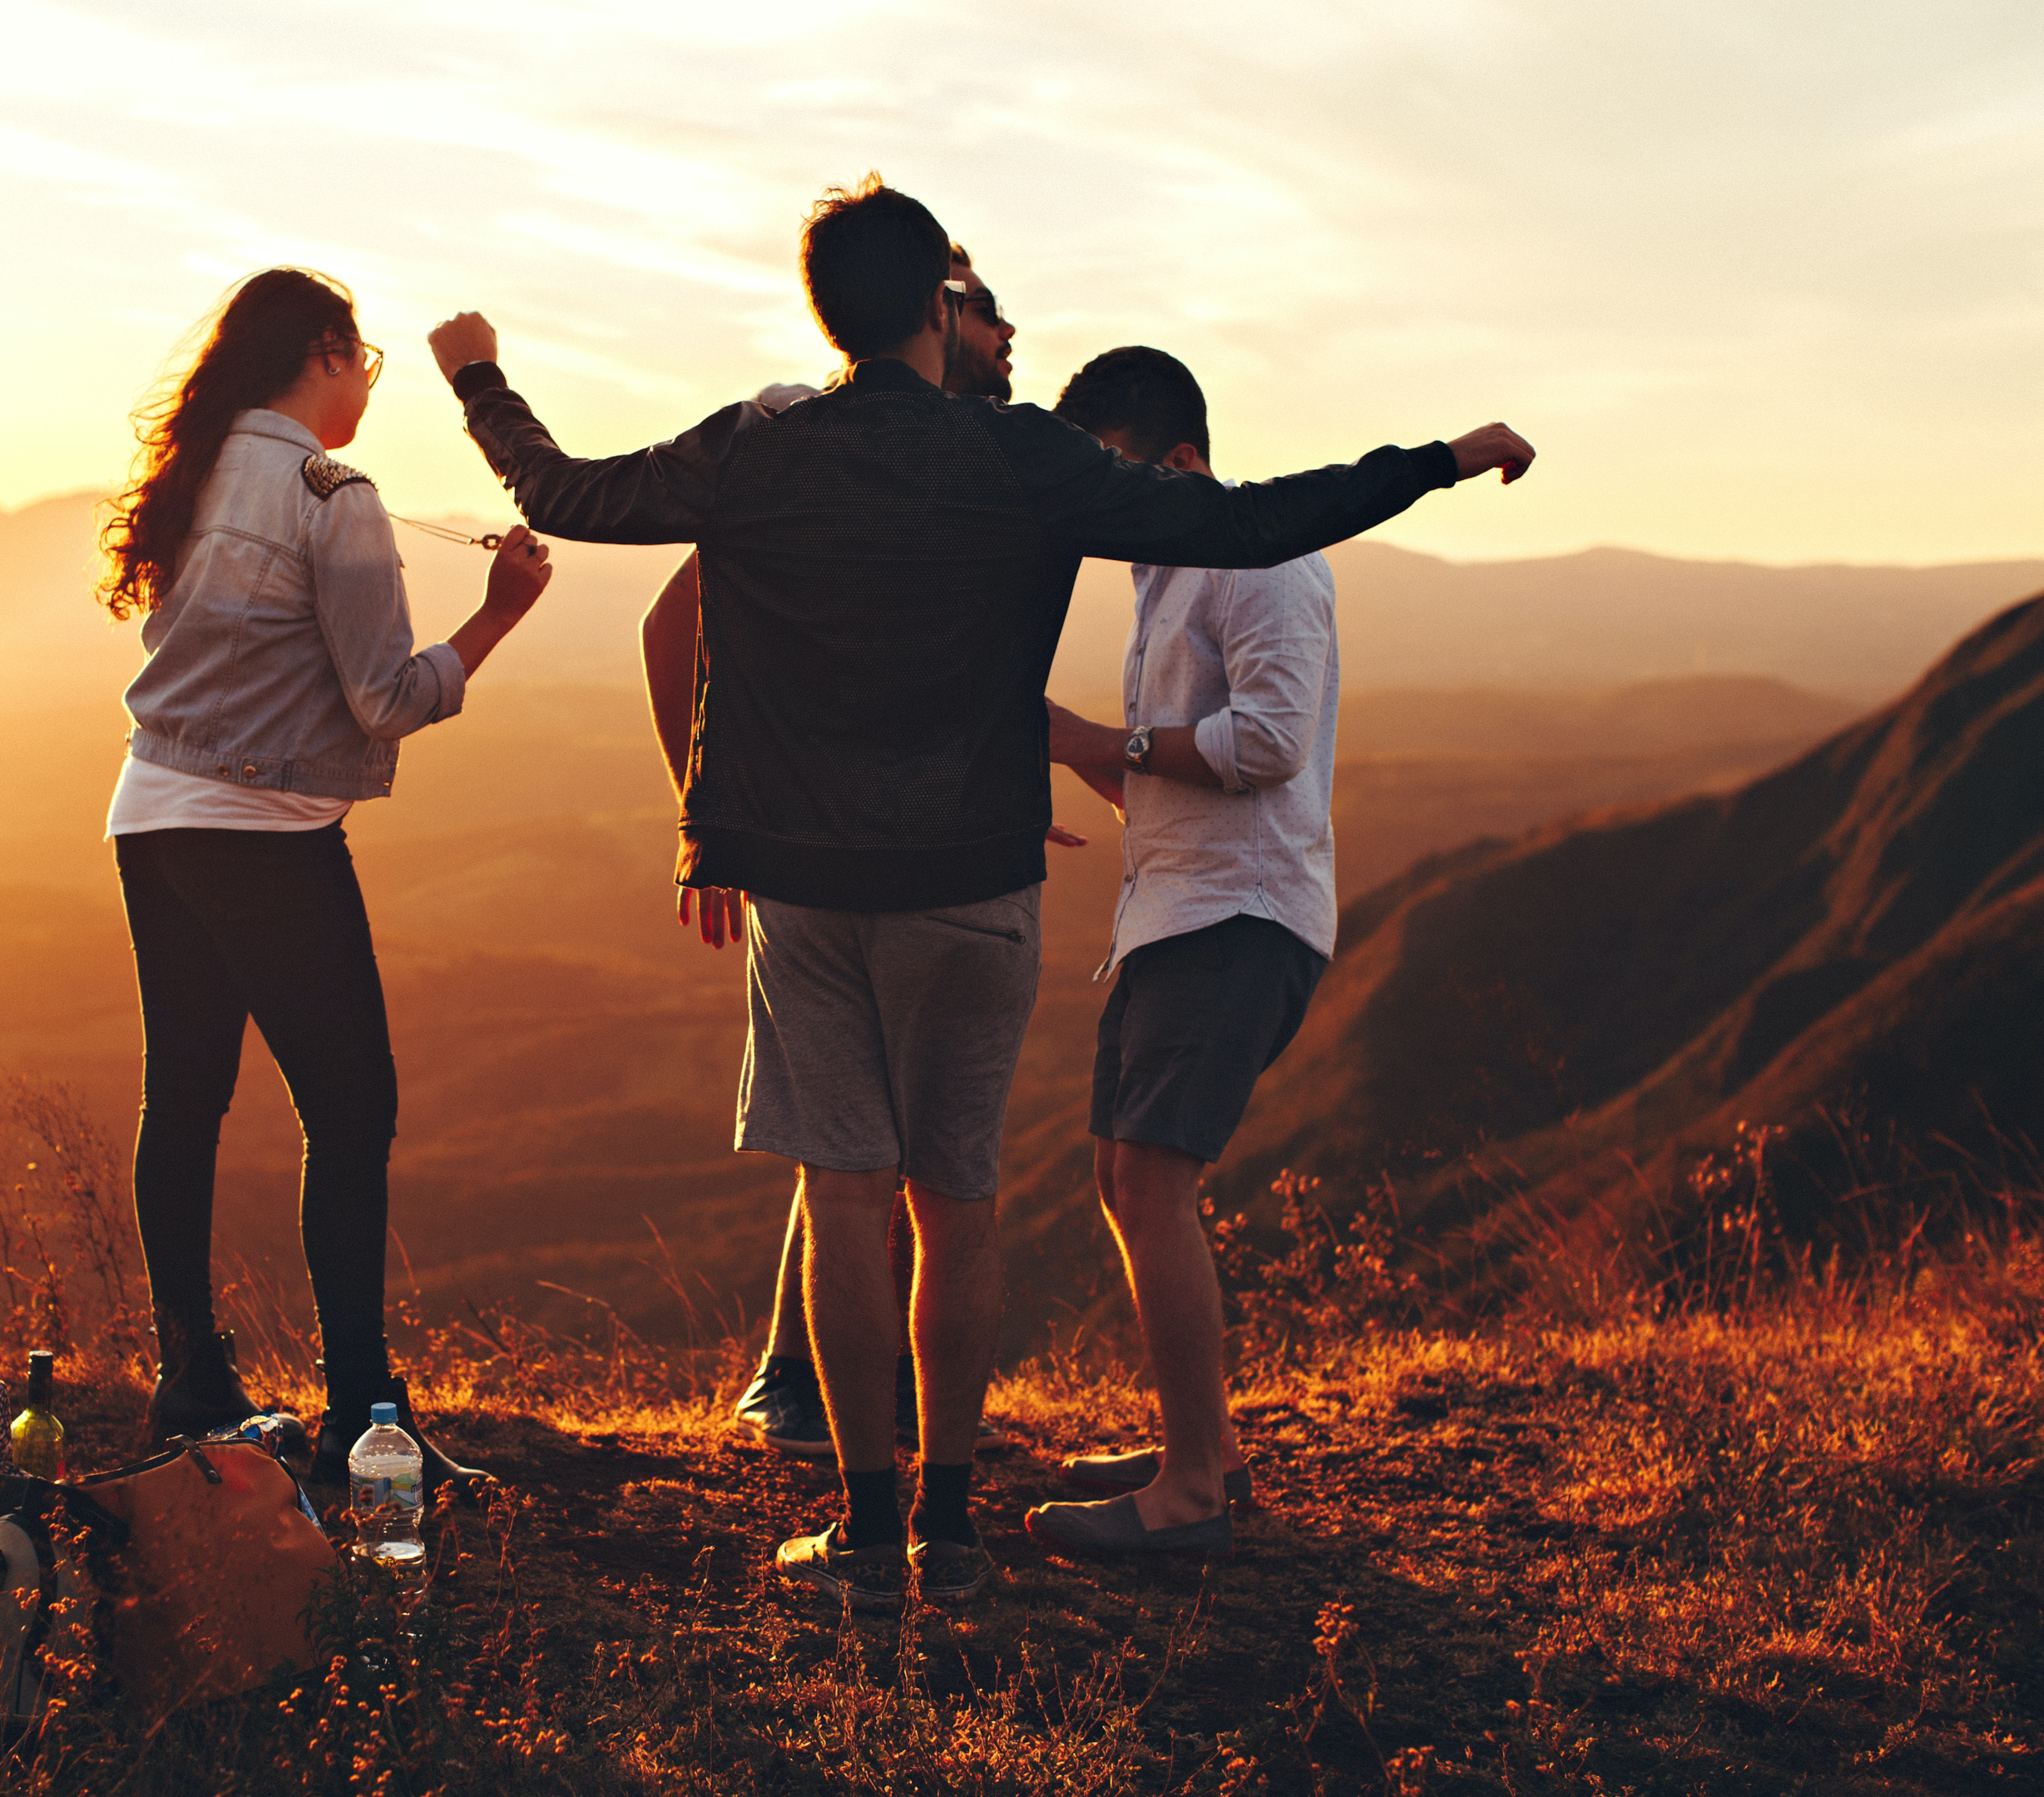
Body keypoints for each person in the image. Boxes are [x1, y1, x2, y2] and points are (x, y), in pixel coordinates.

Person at [428, 175, 1532, 1610]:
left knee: (846, 1200)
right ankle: (951, 1529)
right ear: (941, 310)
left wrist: (479, 381)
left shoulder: (759, 451)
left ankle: (869, 1535)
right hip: (976, 882)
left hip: (812, 886)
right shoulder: (1017, 458)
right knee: (960, 1206)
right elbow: (1255, 522)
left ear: (830, 310)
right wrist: (1436, 459)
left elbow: (568, 494)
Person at [98, 266, 553, 1493]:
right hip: (266, 833)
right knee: (351, 1114)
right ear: (325, 353)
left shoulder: (196, 472)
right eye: (366, 364)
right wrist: (501, 612)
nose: (367, 389)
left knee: (185, 1099)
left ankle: (190, 1380)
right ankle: (367, 1418)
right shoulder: (331, 495)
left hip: (152, 814)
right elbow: (387, 698)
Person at [1024, 345, 1430, 1553]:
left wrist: (1104, 736)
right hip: (1178, 907)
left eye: (1113, 473)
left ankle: (1194, 1492)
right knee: (1121, 1177)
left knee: (1153, 1180)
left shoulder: (1264, 567)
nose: (1098, 504)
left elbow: (1264, 747)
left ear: (1183, 460)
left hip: (1240, 917)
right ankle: (1202, 1443)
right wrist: (1067, 747)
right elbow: (1170, 768)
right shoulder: (1167, 575)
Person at [673, 250, 1032, 1462]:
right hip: (821, 856)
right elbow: (673, 622)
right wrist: (710, 817)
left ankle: (863, 1429)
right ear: (929, 318)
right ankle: (806, 1390)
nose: (1003, 327)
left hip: (915, 850)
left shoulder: (966, 461)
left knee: (869, 1153)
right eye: (979, 306)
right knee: (861, 1158)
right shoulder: (799, 442)